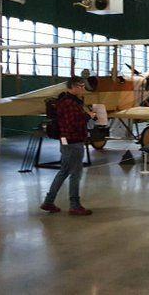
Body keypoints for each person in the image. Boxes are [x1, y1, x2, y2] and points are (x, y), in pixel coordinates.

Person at [40, 76, 95, 216]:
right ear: (74, 87)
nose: (83, 89)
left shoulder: (65, 101)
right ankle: (74, 205)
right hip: (73, 141)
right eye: (81, 86)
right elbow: (73, 123)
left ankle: (48, 201)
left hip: (66, 140)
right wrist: (89, 116)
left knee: (64, 171)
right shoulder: (70, 103)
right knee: (75, 174)